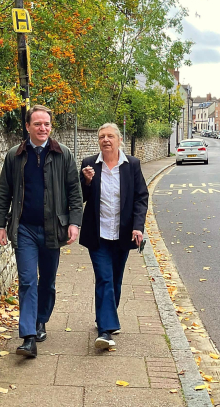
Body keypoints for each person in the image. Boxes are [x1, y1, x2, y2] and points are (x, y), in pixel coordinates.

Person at [0, 105, 83, 358]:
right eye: (37, 124)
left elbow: (75, 193)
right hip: (24, 229)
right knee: (26, 281)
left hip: (53, 229)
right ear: (27, 127)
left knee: (48, 281)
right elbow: (4, 192)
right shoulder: (15, 155)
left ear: (50, 127)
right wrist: (1, 224)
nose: (42, 128)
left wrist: (74, 223)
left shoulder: (62, 154)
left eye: (46, 124)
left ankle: (41, 319)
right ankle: (28, 337)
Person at [79, 123, 148, 349]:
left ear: (119, 140)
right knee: (104, 278)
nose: (105, 140)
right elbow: (80, 197)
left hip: (122, 234)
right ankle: (105, 331)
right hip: (97, 234)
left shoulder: (132, 165)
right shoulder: (89, 164)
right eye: (101, 137)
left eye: (110, 136)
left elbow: (141, 198)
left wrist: (138, 227)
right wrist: (86, 181)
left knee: (115, 280)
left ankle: (105, 317)